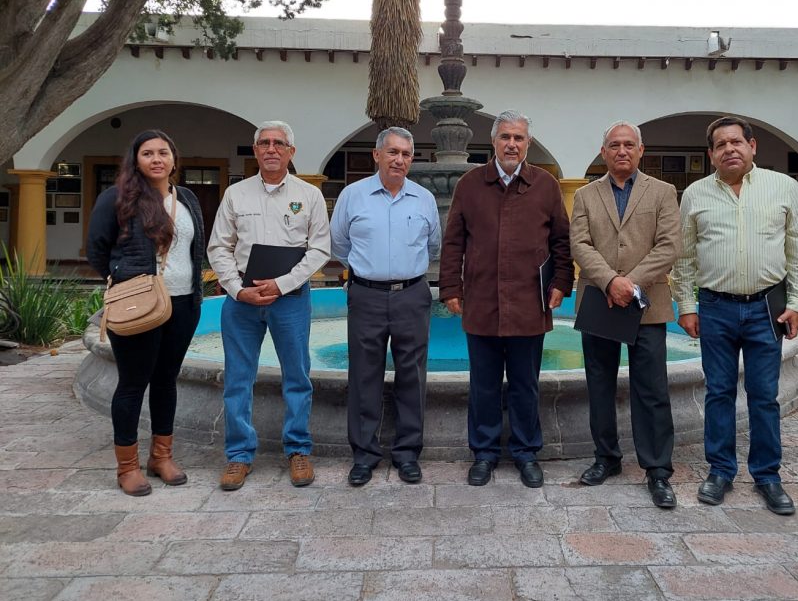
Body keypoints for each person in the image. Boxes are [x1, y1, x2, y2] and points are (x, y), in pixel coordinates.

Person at [672, 116, 798, 515]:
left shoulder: (783, 187)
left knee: (765, 395)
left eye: (737, 142)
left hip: (767, 306)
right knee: (718, 391)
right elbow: (684, 256)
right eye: (721, 144)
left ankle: (767, 475)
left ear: (752, 146)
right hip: (715, 307)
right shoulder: (695, 194)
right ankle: (720, 471)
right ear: (711, 153)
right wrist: (687, 305)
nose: (729, 149)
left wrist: (797, 302)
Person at [440, 110, 574, 488]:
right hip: (482, 303)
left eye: (518, 138)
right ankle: (484, 453)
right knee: (482, 385)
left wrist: (561, 282)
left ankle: (526, 452)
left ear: (527, 143)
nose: (512, 144)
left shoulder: (545, 185)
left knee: (525, 384)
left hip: (530, 304)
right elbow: (453, 242)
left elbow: (561, 241)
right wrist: (450, 287)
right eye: (505, 137)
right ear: (493, 142)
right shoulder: (470, 185)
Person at [208, 120, 330, 491]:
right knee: (238, 379)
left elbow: (320, 249)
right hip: (242, 300)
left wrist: (282, 284)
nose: (271, 149)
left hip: (289, 299)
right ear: (256, 150)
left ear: (291, 152)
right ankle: (239, 455)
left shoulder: (309, 195)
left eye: (279, 143)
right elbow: (219, 247)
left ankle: (298, 449)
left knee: (297, 376)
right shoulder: (236, 194)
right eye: (264, 143)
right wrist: (236, 289)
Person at [87, 130, 205, 496]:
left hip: (183, 302)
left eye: (163, 152)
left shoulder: (186, 198)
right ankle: (127, 467)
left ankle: (161, 456)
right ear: (135, 160)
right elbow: (97, 249)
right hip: (138, 304)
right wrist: (124, 278)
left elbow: (194, 248)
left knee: (166, 380)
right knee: (133, 382)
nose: (157, 159)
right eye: (148, 153)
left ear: (174, 159)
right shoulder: (117, 198)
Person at [570, 121, 682, 507]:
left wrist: (629, 283)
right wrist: (609, 282)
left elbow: (669, 245)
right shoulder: (585, 195)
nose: (622, 151)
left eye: (629, 145)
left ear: (640, 150)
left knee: (652, 389)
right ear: (603, 152)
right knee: (599, 384)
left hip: (646, 303)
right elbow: (579, 244)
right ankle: (606, 457)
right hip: (600, 302)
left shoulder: (663, 192)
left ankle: (657, 469)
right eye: (614, 145)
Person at [330, 127, 440, 486]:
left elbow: (433, 246)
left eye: (406, 154)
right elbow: (339, 244)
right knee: (364, 375)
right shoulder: (352, 196)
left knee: (412, 375)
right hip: (367, 295)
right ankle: (364, 455)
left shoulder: (424, 199)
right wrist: (370, 271)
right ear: (377, 155)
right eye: (392, 152)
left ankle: (408, 454)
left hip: (412, 294)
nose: (399, 160)